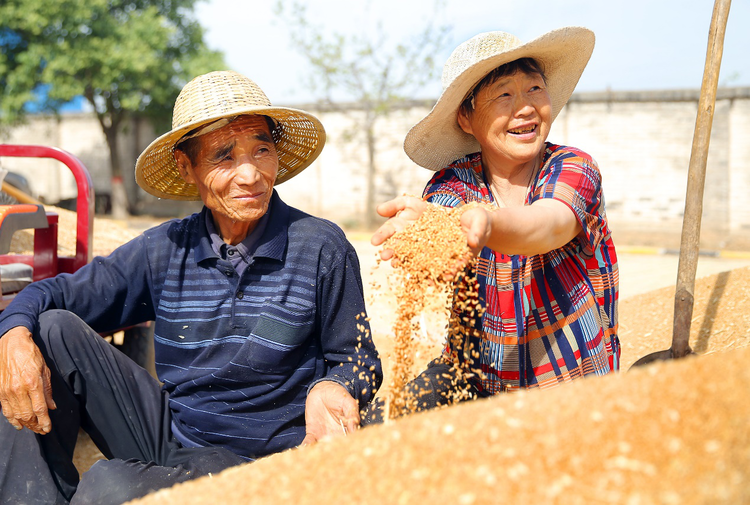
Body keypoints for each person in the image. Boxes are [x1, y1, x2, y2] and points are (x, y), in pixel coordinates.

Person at [0, 70, 382, 504]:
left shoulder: (320, 246)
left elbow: (357, 357)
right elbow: (55, 294)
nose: (250, 174)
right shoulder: (165, 248)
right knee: (46, 331)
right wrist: (12, 335)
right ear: (187, 167)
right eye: (224, 156)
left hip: (268, 462)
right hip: (177, 439)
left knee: (107, 487)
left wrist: (333, 387)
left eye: (262, 150)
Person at [372, 27, 618, 406]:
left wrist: (486, 223)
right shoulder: (453, 183)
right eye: (504, 94)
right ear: (466, 119)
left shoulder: (572, 166)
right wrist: (427, 234)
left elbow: (547, 224)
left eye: (534, 89)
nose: (524, 108)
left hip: (571, 381)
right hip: (474, 382)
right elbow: (442, 224)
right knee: (389, 424)